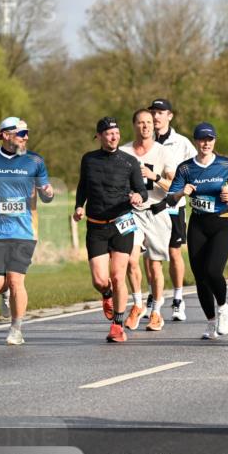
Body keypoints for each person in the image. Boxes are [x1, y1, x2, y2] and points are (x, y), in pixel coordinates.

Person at [0, 117, 54, 345]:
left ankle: (16, 329)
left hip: (25, 231)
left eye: (27, 133)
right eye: (21, 133)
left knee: (17, 280)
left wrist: (48, 192)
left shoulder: (35, 161)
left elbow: (46, 195)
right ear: (6, 135)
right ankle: (5, 293)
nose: (26, 137)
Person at [73, 117, 147, 342]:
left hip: (123, 223)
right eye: (108, 133)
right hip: (96, 225)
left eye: (116, 133)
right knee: (100, 280)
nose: (114, 137)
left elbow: (142, 191)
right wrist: (78, 206)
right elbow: (83, 186)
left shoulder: (129, 162)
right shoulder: (89, 160)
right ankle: (106, 295)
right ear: (99, 136)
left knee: (117, 276)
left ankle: (117, 325)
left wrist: (137, 196)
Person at [166, 123, 228, 339]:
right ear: (196, 141)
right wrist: (182, 192)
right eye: (201, 139)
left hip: (222, 222)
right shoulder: (185, 168)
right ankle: (210, 323)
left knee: (213, 271)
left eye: (209, 139)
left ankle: (223, 308)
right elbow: (170, 197)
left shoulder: (226, 165)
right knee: (200, 277)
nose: (205, 143)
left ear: (214, 141)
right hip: (198, 224)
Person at [119, 109, 176, 331]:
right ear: (134, 125)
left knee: (154, 265)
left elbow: (174, 187)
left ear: (154, 125)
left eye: (149, 122)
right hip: (131, 213)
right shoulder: (123, 151)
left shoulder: (163, 153)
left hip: (156, 212)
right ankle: (137, 304)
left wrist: (155, 177)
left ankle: (156, 312)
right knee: (131, 259)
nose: (145, 126)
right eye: (141, 123)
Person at [148, 98, 197, 321]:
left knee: (173, 251)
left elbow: (195, 170)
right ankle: (154, 296)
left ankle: (178, 298)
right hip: (149, 206)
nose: (156, 116)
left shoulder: (182, 143)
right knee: (150, 255)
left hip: (174, 205)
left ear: (170, 116)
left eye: (160, 112)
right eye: (153, 112)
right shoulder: (145, 141)